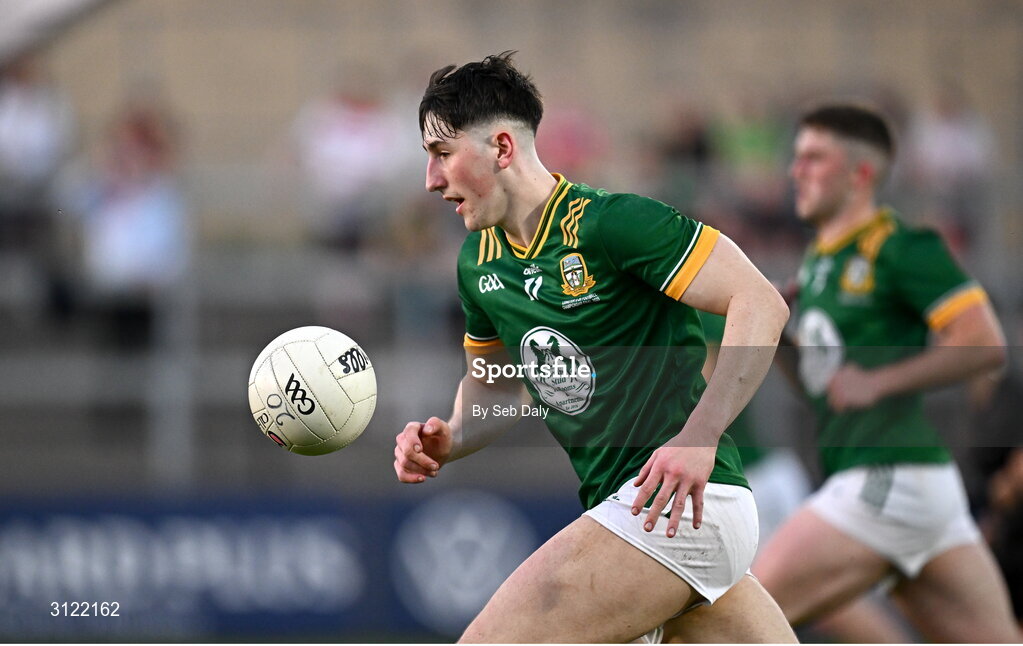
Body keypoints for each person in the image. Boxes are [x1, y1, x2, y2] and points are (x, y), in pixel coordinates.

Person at [392, 52, 795, 643]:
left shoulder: (614, 224)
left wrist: (700, 435)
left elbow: (761, 302)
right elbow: (497, 387)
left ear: (502, 149)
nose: (431, 180)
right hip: (647, 520)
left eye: (442, 153)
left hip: (679, 505)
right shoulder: (478, 263)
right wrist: (450, 436)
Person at [752, 104, 1021, 642]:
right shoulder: (818, 264)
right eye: (796, 157)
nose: (795, 170)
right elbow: (823, 390)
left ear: (861, 174)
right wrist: (780, 336)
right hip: (916, 487)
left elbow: (985, 344)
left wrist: (879, 382)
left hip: (886, 476)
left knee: (735, 614)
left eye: (814, 158)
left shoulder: (902, 247)